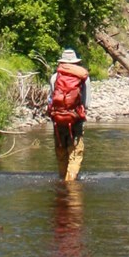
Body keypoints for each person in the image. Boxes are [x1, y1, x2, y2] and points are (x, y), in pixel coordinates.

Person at [48, 49, 89, 181]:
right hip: (75, 120)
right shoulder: (83, 78)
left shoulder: (55, 77)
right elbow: (86, 103)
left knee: (61, 152)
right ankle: (70, 185)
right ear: (76, 62)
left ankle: (62, 182)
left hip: (58, 120)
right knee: (75, 153)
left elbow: (51, 99)